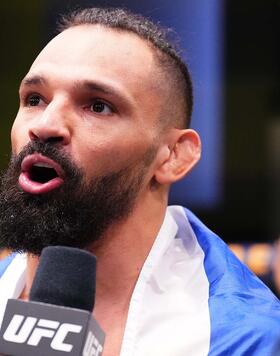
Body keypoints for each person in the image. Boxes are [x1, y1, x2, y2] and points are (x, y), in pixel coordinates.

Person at [0, 7, 279, 356]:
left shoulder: (241, 337)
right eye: (35, 99)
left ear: (174, 155)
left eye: (98, 106)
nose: (44, 125)